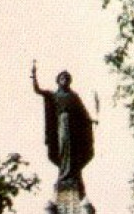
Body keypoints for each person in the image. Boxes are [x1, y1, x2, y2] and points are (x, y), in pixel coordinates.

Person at [30, 62, 95, 193]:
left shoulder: (74, 96)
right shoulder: (54, 95)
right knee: (64, 148)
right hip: (62, 124)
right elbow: (38, 90)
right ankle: (64, 174)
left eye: (67, 79)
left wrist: (90, 120)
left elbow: (83, 113)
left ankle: (72, 175)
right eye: (62, 78)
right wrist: (34, 76)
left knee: (73, 151)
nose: (64, 80)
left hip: (74, 128)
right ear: (58, 81)